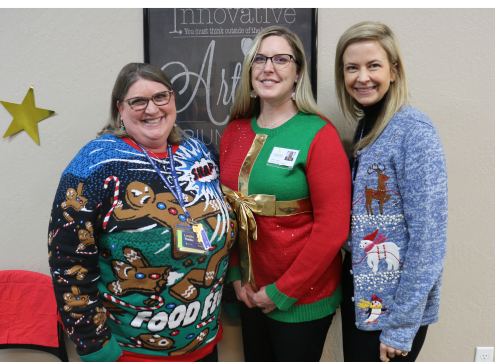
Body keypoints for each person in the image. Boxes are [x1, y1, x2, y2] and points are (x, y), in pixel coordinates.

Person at [47, 63, 236, 362]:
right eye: (138, 101)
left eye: (161, 97)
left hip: (202, 340)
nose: (152, 109)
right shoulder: (93, 166)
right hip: (131, 351)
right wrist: (95, 347)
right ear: (120, 109)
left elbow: (223, 220)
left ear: (173, 100)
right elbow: (68, 261)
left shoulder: (197, 151)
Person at [219, 26, 351, 362]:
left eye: (281, 59)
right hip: (249, 291)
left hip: (302, 295)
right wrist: (236, 275)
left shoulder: (318, 133)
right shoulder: (234, 131)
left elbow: (333, 229)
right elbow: (229, 213)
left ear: (297, 72)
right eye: (259, 59)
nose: (269, 67)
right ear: (249, 72)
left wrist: (282, 291)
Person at [335, 21, 448, 362]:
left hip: (392, 314)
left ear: (394, 71)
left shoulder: (414, 131)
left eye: (373, 66)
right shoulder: (367, 127)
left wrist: (401, 326)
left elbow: (429, 241)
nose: (362, 77)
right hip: (363, 300)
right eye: (352, 67)